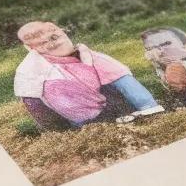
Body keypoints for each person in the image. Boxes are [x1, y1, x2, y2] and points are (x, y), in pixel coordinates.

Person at [14, 20, 164, 130]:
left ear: (61, 32)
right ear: (30, 48)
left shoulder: (89, 56)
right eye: (42, 44)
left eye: (54, 38)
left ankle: (144, 108)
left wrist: (148, 106)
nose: (52, 44)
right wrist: (57, 130)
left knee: (116, 75)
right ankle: (90, 127)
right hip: (80, 117)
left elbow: (120, 78)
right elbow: (33, 100)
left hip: (108, 101)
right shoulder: (32, 71)